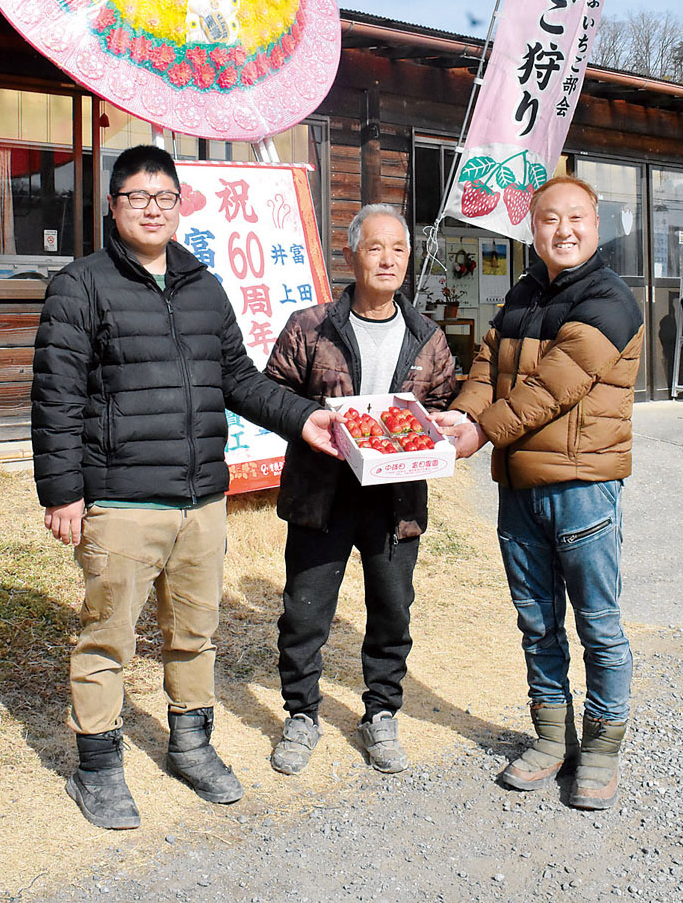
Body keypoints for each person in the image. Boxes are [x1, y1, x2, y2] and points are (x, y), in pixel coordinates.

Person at [32, 144, 341, 831]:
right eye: (136, 196)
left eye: (163, 197)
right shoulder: (79, 285)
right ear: (113, 206)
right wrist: (61, 493)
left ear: (180, 207)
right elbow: (54, 397)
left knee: (195, 635)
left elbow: (239, 379)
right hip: (120, 500)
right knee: (107, 638)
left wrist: (307, 419)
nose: (150, 208)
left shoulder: (203, 286)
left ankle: (192, 745)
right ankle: (98, 768)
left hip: (201, 501)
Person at [437, 177, 643, 810]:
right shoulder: (523, 294)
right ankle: (552, 740)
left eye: (576, 218)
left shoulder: (612, 300)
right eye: (550, 219)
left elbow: (554, 389)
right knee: (537, 623)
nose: (564, 230)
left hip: (582, 488)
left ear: (596, 221)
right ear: (533, 227)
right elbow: (486, 368)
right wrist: (459, 415)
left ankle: (602, 750)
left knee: (599, 626)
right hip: (519, 487)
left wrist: (479, 433)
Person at [263, 204, 456, 775]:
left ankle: (381, 712)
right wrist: (319, 421)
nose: (389, 259)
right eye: (376, 248)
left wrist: (438, 427)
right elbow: (273, 393)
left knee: (393, 608)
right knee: (305, 610)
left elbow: (440, 405)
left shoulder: (428, 336)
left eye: (399, 248)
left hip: (396, 498)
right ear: (351, 255)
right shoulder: (311, 326)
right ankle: (301, 714)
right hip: (322, 492)